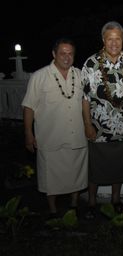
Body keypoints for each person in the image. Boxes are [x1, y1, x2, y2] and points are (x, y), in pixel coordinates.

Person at [22, 38, 88, 218]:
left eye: (70, 53)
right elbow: (29, 106)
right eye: (62, 53)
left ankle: (74, 205)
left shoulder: (81, 74)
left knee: (76, 172)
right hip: (50, 136)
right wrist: (28, 133)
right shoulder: (39, 76)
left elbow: (86, 103)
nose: (66, 57)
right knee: (51, 176)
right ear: (54, 54)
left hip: (76, 135)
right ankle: (52, 209)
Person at [81, 21, 123, 219]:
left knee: (119, 165)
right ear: (103, 40)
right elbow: (85, 98)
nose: (114, 42)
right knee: (96, 166)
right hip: (99, 127)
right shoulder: (91, 63)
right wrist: (87, 124)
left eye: (118, 38)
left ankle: (115, 200)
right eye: (109, 38)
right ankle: (92, 202)